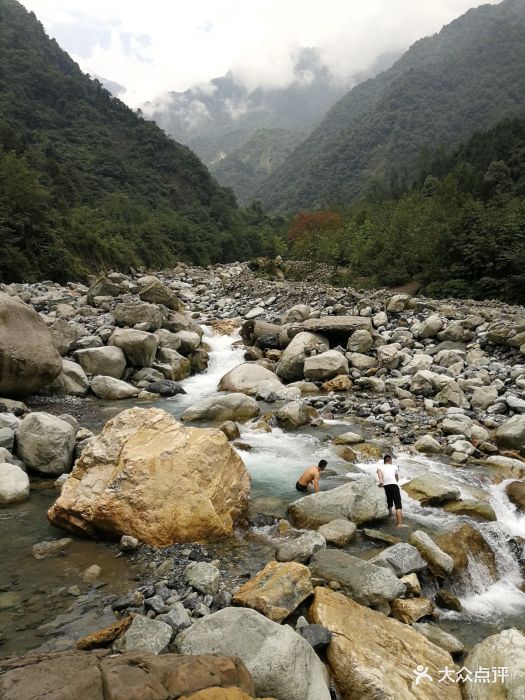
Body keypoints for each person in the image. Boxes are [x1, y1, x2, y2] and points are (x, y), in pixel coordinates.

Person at [377, 455, 403, 527]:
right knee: (398, 506)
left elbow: (379, 471)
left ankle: (390, 517)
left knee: (389, 503)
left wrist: (381, 479)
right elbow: (397, 478)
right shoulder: (395, 467)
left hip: (385, 486)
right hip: (394, 485)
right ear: (390, 460)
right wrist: (395, 482)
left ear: (384, 461)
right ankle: (399, 524)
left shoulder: (380, 467)